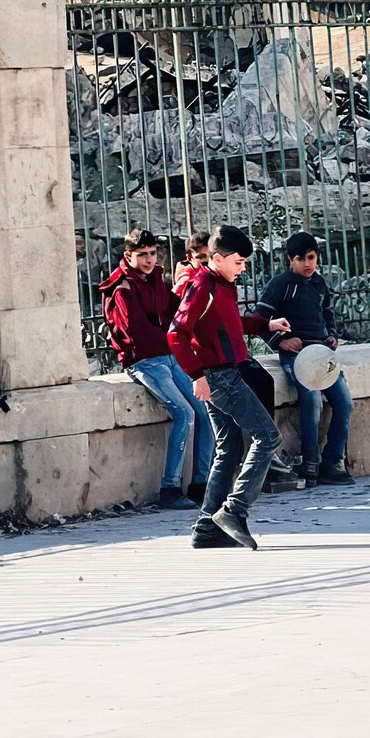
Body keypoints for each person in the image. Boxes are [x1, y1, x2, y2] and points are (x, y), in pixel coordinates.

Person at [171, 224, 290, 550]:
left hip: (224, 373)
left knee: (229, 450)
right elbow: (176, 333)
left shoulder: (223, 285)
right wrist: (196, 375)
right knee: (268, 438)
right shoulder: (202, 287)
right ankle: (234, 511)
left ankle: (207, 528)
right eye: (239, 262)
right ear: (219, 258)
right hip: (219, 376)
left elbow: (231, 325)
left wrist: (265, 323)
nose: (243, 268)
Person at [99, 229, 214, 510]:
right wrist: (173, 337)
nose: (149, 259)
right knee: (184, 413)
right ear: (129, 255)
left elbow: (178, 310)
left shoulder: (156, 281)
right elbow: (138, 333)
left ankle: (202, 483)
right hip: (145, 361)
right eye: (142, 255)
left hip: (169, 356)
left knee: (204, 408)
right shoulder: (122, 288)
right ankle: (169, 488)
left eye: (152, 254)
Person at [254, 231, 354, 485]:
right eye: (302, 259)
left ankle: (333, 462)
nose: (308, 264)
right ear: (291, 259)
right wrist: (281, 341)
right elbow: (259, 320)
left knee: (344, 402)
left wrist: (331, 336)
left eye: (312, 258)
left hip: (322, 354)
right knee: (311, 402)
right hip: (296, 356)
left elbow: (327, 314)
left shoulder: (319, 283)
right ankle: (310, 462)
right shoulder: (280, 284)